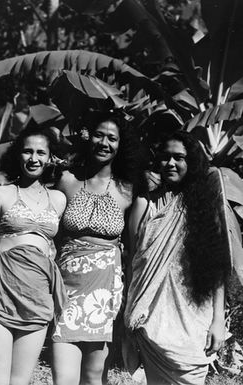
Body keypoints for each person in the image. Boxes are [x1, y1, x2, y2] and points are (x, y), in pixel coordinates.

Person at [0, 121, 67, 385]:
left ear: (50, 158)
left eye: (41, 153)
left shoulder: (59, 200)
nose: (34, 158)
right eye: (28, 151)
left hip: (37, 299)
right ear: (18, 155)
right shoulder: (1, 195)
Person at [124, 131, 231, 385]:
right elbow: (134, 263)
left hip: (194, 319)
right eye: (165, 157)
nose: (171, 163)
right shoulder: (144, 204)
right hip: (151, 320)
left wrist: (217, 320)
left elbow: (216, 267)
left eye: (179, 158)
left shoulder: (205, 206)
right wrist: (129, 311)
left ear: (191, 163)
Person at [50, 110, 139, 385]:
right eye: (99, 135)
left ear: (120, 145)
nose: (104, 142)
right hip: (65, 289)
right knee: (62, 378)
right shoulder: (66, 180)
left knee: (93, 378)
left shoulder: (128, 190)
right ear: (88, 138)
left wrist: (129, 303)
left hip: (105, 291)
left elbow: (134, 252)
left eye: (112, 138)